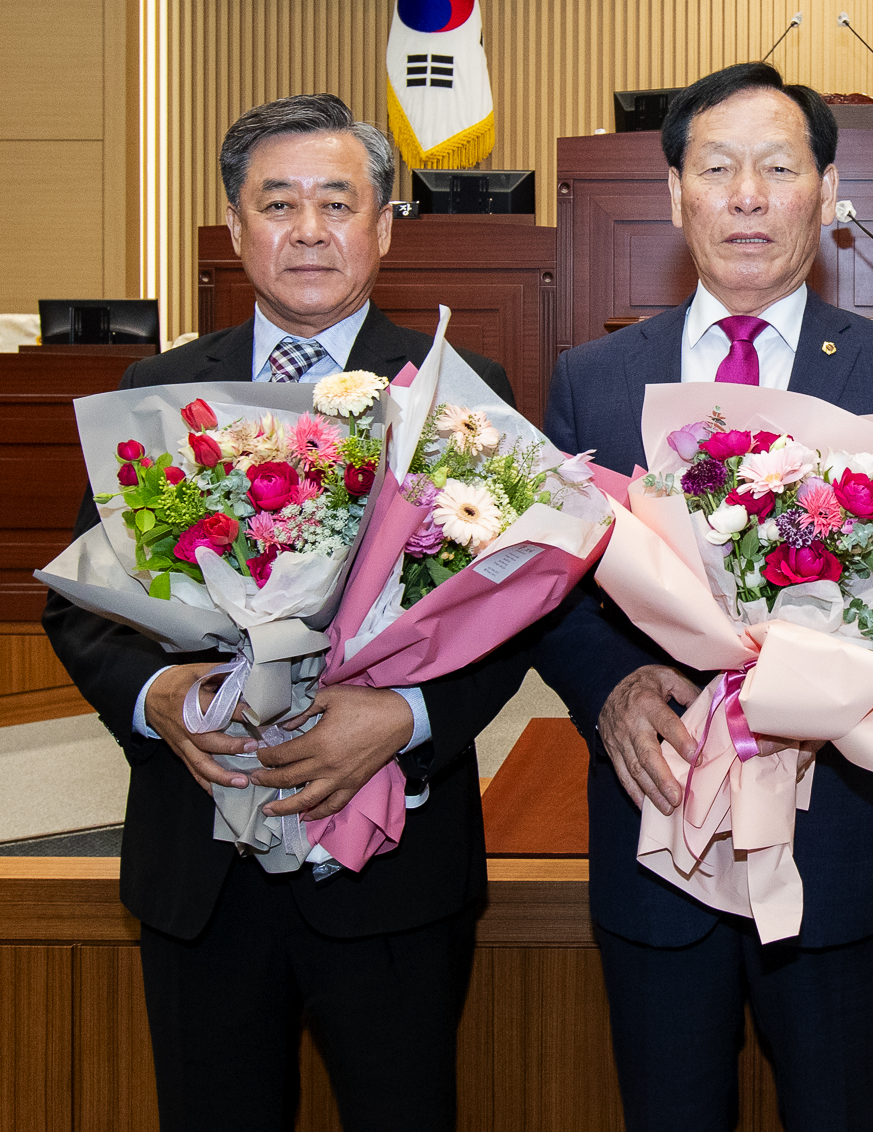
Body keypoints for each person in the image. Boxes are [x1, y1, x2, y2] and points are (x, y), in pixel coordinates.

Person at [531, 62, 873, 1131]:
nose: (747, 196)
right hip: (657, 828)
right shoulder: (593, 379)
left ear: (826, 194)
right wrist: (611, 687)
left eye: (779, 169)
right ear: (674, 193)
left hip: (838, 846)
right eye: (717, 168)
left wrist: (851, 683)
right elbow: (544, 585)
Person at [42, 93, 524, 1132]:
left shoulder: (455, 388)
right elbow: (82, 606)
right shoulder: (158, 387)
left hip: (391, 863)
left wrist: (406, 717)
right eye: (278, 203)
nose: (309, 230)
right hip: (200, 859)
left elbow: (515, 609)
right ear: (233, 226)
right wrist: (157, 696)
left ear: (384, 226)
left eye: (337, 203)